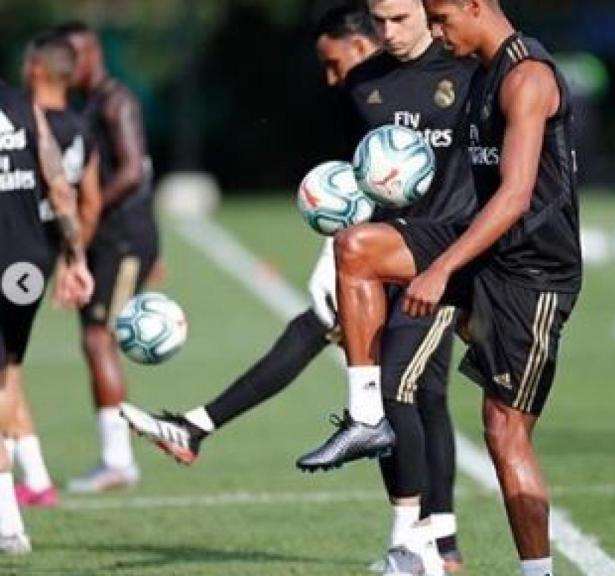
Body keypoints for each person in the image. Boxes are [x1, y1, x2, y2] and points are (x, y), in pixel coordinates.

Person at [119, 4, 472, 572]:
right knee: (395, 389)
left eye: (334, 63)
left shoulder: (463, 70)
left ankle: (432, 544)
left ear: (363, 41)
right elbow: (366, 181)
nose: (332, 79)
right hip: (381, 256)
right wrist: (333, 247)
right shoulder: (365, 90)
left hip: (442, 258)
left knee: (407, 390)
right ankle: (426, 545)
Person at [295, 1, 581, 574]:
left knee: (504, 435)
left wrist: (441, 268)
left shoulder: (526, 76)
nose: (437, 31)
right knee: (356, 249)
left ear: (475, 6)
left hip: (531, 270)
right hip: (479, 245)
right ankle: (366, 416)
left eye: (443, 17)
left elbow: (516, 194)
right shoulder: (476, 72)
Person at [55, 21, 160, 494]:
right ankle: (113, 456)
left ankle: (119, 461)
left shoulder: (117, 101)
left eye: (69, 58)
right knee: (92, 338)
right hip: (107, 238)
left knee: (100, 339)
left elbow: (133, 170)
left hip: (122, 237)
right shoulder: (88, 104)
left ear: (90, 55)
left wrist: (85, 207)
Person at [5, 30, 102, 509]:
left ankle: (8, 516)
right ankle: (34, 480)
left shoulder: (30, 105)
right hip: (31, 258)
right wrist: (75, 257)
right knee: (10, 373)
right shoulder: (29, 112)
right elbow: (70, 190)